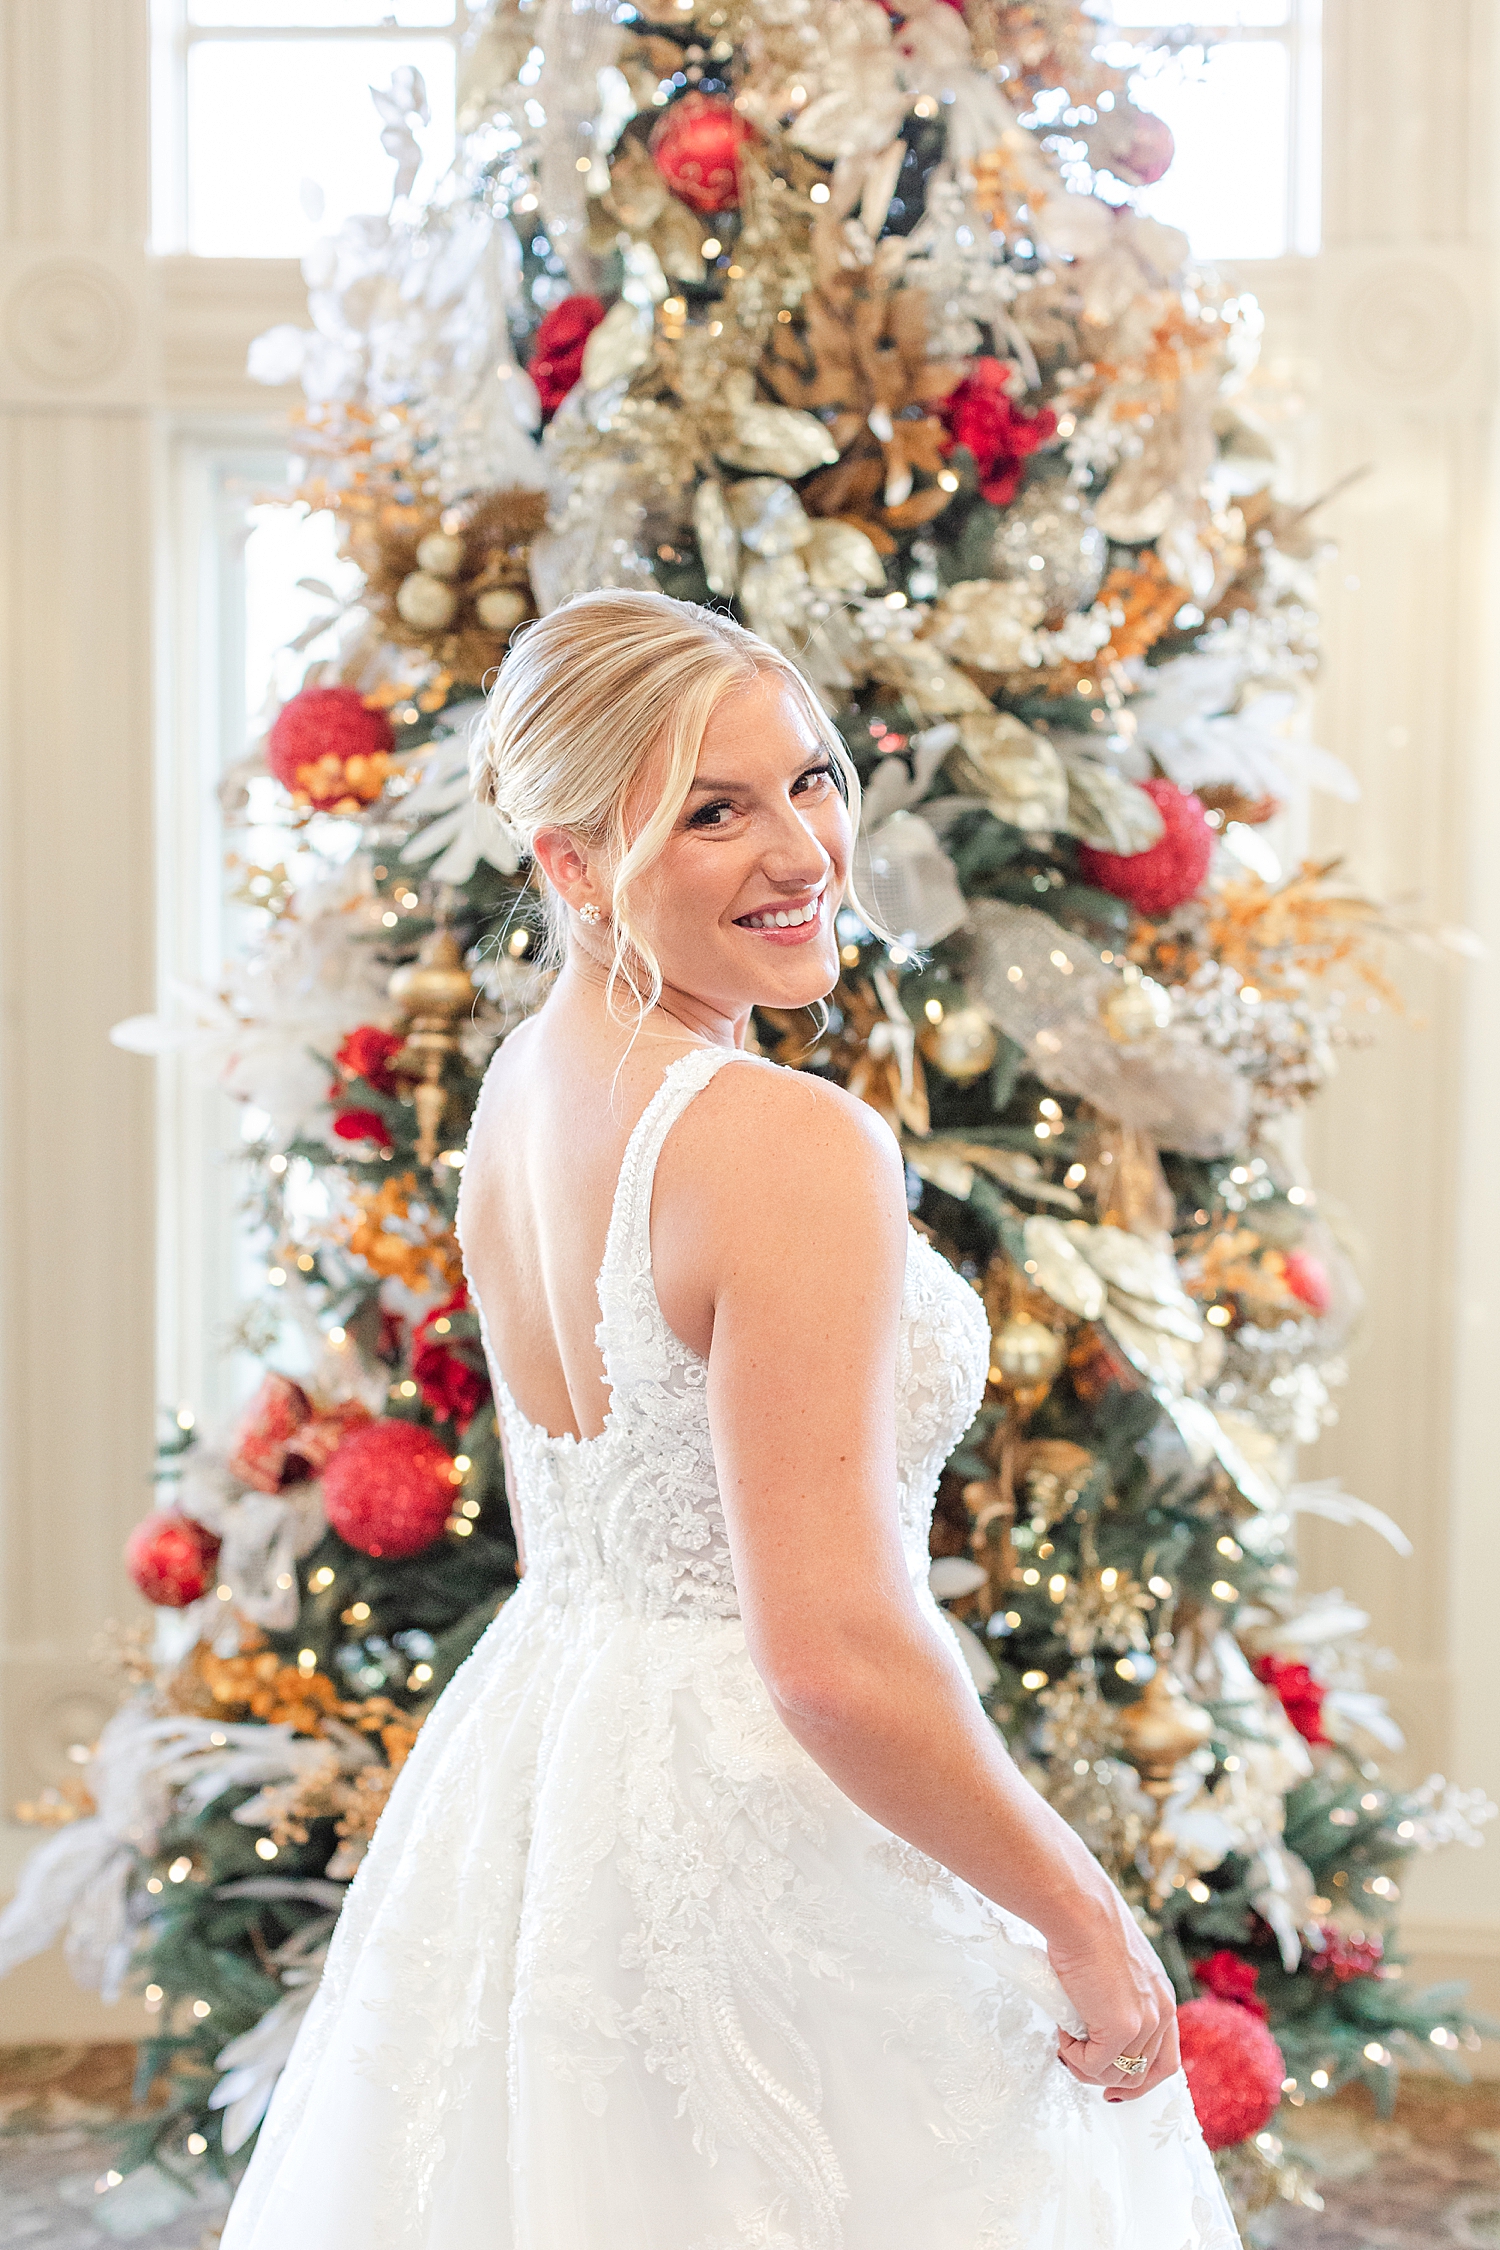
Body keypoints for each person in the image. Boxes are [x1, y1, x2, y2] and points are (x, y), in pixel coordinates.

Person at [221, 590, 1239, 2249]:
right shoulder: (784, 1143)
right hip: (769, 1822)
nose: (805, 851)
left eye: (812, 780)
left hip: (553, 1776)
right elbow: (827, 1650)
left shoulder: (518, 1095)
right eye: (714, 809)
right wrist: (1079, 1913)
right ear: (565, 859)